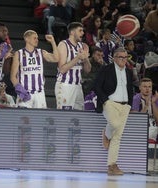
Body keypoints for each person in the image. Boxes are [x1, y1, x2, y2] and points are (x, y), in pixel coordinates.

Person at [94, 47, 133, 175]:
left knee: (117, 137)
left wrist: (129, 105)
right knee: (114, 125)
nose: (123, 60)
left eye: (125, 57)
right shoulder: (106, 69)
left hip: (124, 105)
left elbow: (130, 88)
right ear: (114, 58)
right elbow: (97, 86)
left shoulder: (128, 72)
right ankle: (106, 133)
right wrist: (105, 100)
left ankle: (112, 165)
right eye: (121, 57)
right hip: (110, 103)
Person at [10, 30, 59, 108]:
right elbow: (13, 76)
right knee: (24, 119)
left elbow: (56, 59)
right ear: (27, 39)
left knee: (40, 119)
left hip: (39, 94)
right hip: (25, 93)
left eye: (37, 38)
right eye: (34, 38)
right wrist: (21, 91)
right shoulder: (18, 54)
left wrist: (53, 42)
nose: (37, 40)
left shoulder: (41, 52)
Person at [55, 22, 91, 110]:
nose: (82, 33)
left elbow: (88, 70)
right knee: (64, 117)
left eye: (83, 31)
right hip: (65, 85)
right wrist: (78, 57)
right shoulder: (63, 45)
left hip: (78, 86)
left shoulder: (81, 46)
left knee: (78, 119)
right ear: (72, 32)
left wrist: (86, 58)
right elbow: (62, 69)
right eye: (80, 31)